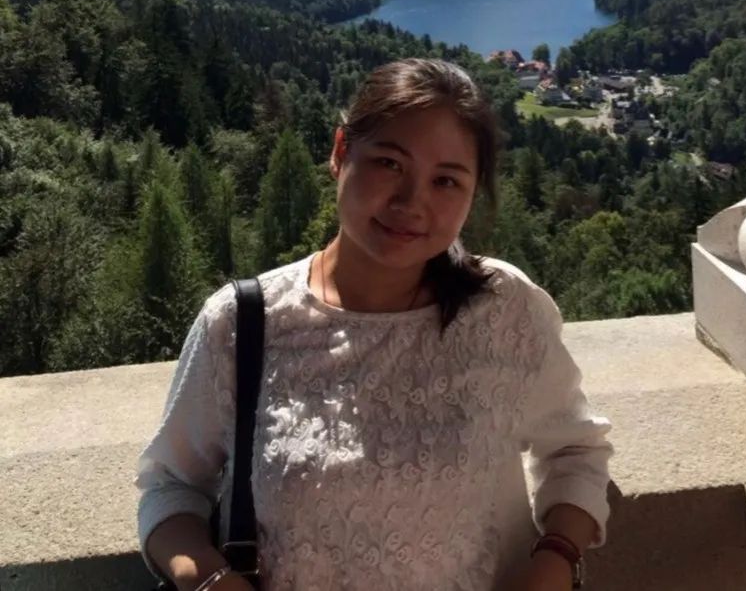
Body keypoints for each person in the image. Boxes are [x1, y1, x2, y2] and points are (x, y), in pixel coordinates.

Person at [136, 58, 612, 591]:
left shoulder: (504, 309)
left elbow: (576, 451)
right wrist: (207, 579)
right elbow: (170, 485)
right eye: (389, 163)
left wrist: (554, 560)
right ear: (340, 151)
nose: (412, 203)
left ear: (473, 192)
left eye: (446, 180)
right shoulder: (243, 323)